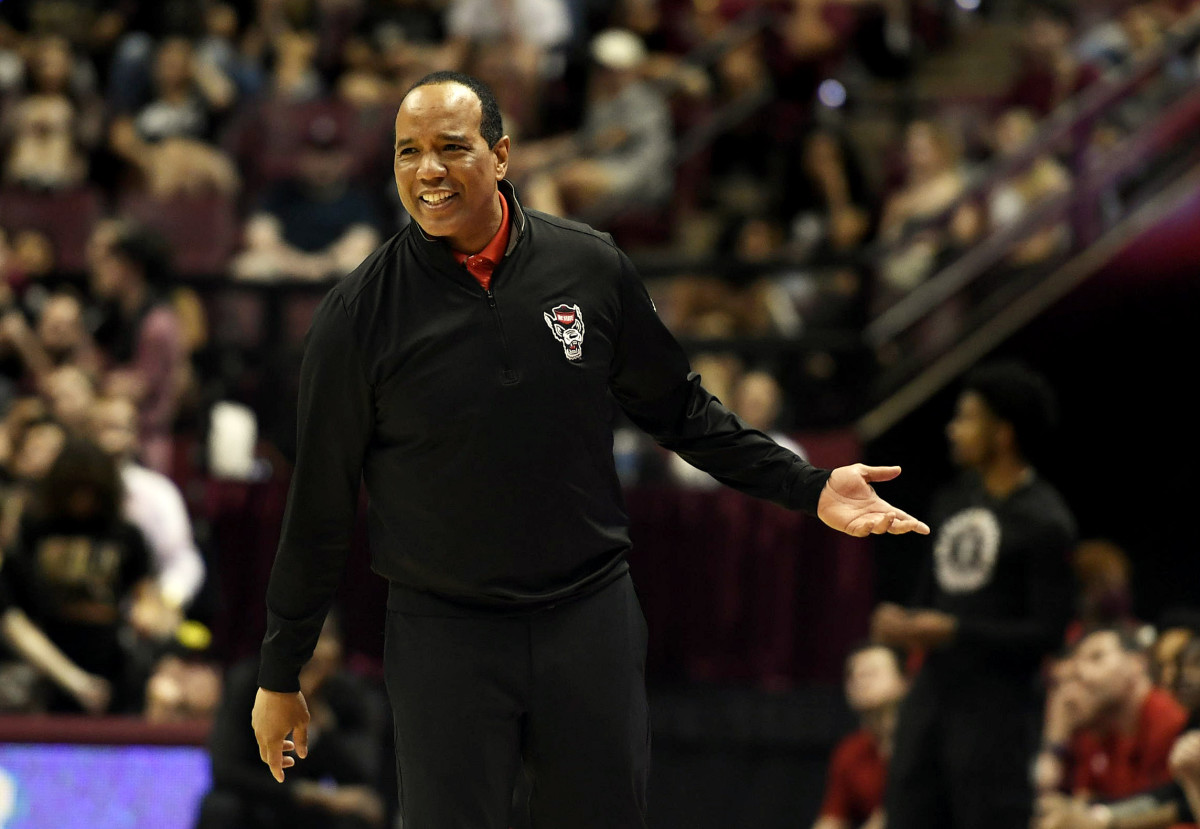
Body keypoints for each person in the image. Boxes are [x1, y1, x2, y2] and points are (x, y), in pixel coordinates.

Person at [251, 70, 929, 829]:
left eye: (451, 147)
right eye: (409, 153)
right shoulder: (356, 314)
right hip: (444, 633)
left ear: (502, 155)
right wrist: (281, 670)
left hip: (586, 613)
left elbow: (681, 410)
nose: (428, 171)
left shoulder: (589, 265)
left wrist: (807, 487)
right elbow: (318, 504)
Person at [872, 360, 1076, 829]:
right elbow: (930, 595)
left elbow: (1048, 632)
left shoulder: (1046, 521)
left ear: (1003, 433)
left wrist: (957, 631)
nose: (953, 430)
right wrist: (903, 624)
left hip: (997, 712)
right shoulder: (952, 500)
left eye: (966, 418)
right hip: (931, 700)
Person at [813, 643, 909, 829]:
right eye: (852, 674)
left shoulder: (926, 745)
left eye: (871, 672)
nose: (859, 679)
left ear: (904, 681)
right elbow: (831, 820)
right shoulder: (852, 750)